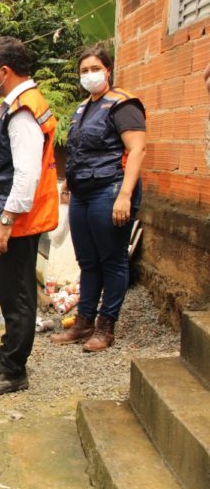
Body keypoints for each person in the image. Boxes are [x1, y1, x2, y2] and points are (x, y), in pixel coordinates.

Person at [0, 36, 59, 397]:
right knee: (10, 293)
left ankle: (14, 369)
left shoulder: (23, 110)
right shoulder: (20, 104)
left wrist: (5, 222)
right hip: (13, 215)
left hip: (19, 221)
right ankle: (6, 355)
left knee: (18, 296)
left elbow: (27, 174)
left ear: (4, 72)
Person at [51, 45, 146, 352]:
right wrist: (68, 183)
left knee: (113, 259)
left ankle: (106, 327)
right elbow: (79, 151)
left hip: (110, 189)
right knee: (88, 261)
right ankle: (83, 323)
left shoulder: (122, 104)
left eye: (95, 69)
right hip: (83, 193)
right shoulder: (83, 108)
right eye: (84, 70)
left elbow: (137, 150)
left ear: (108, 70)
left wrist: (124, 196)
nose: (89, 75)